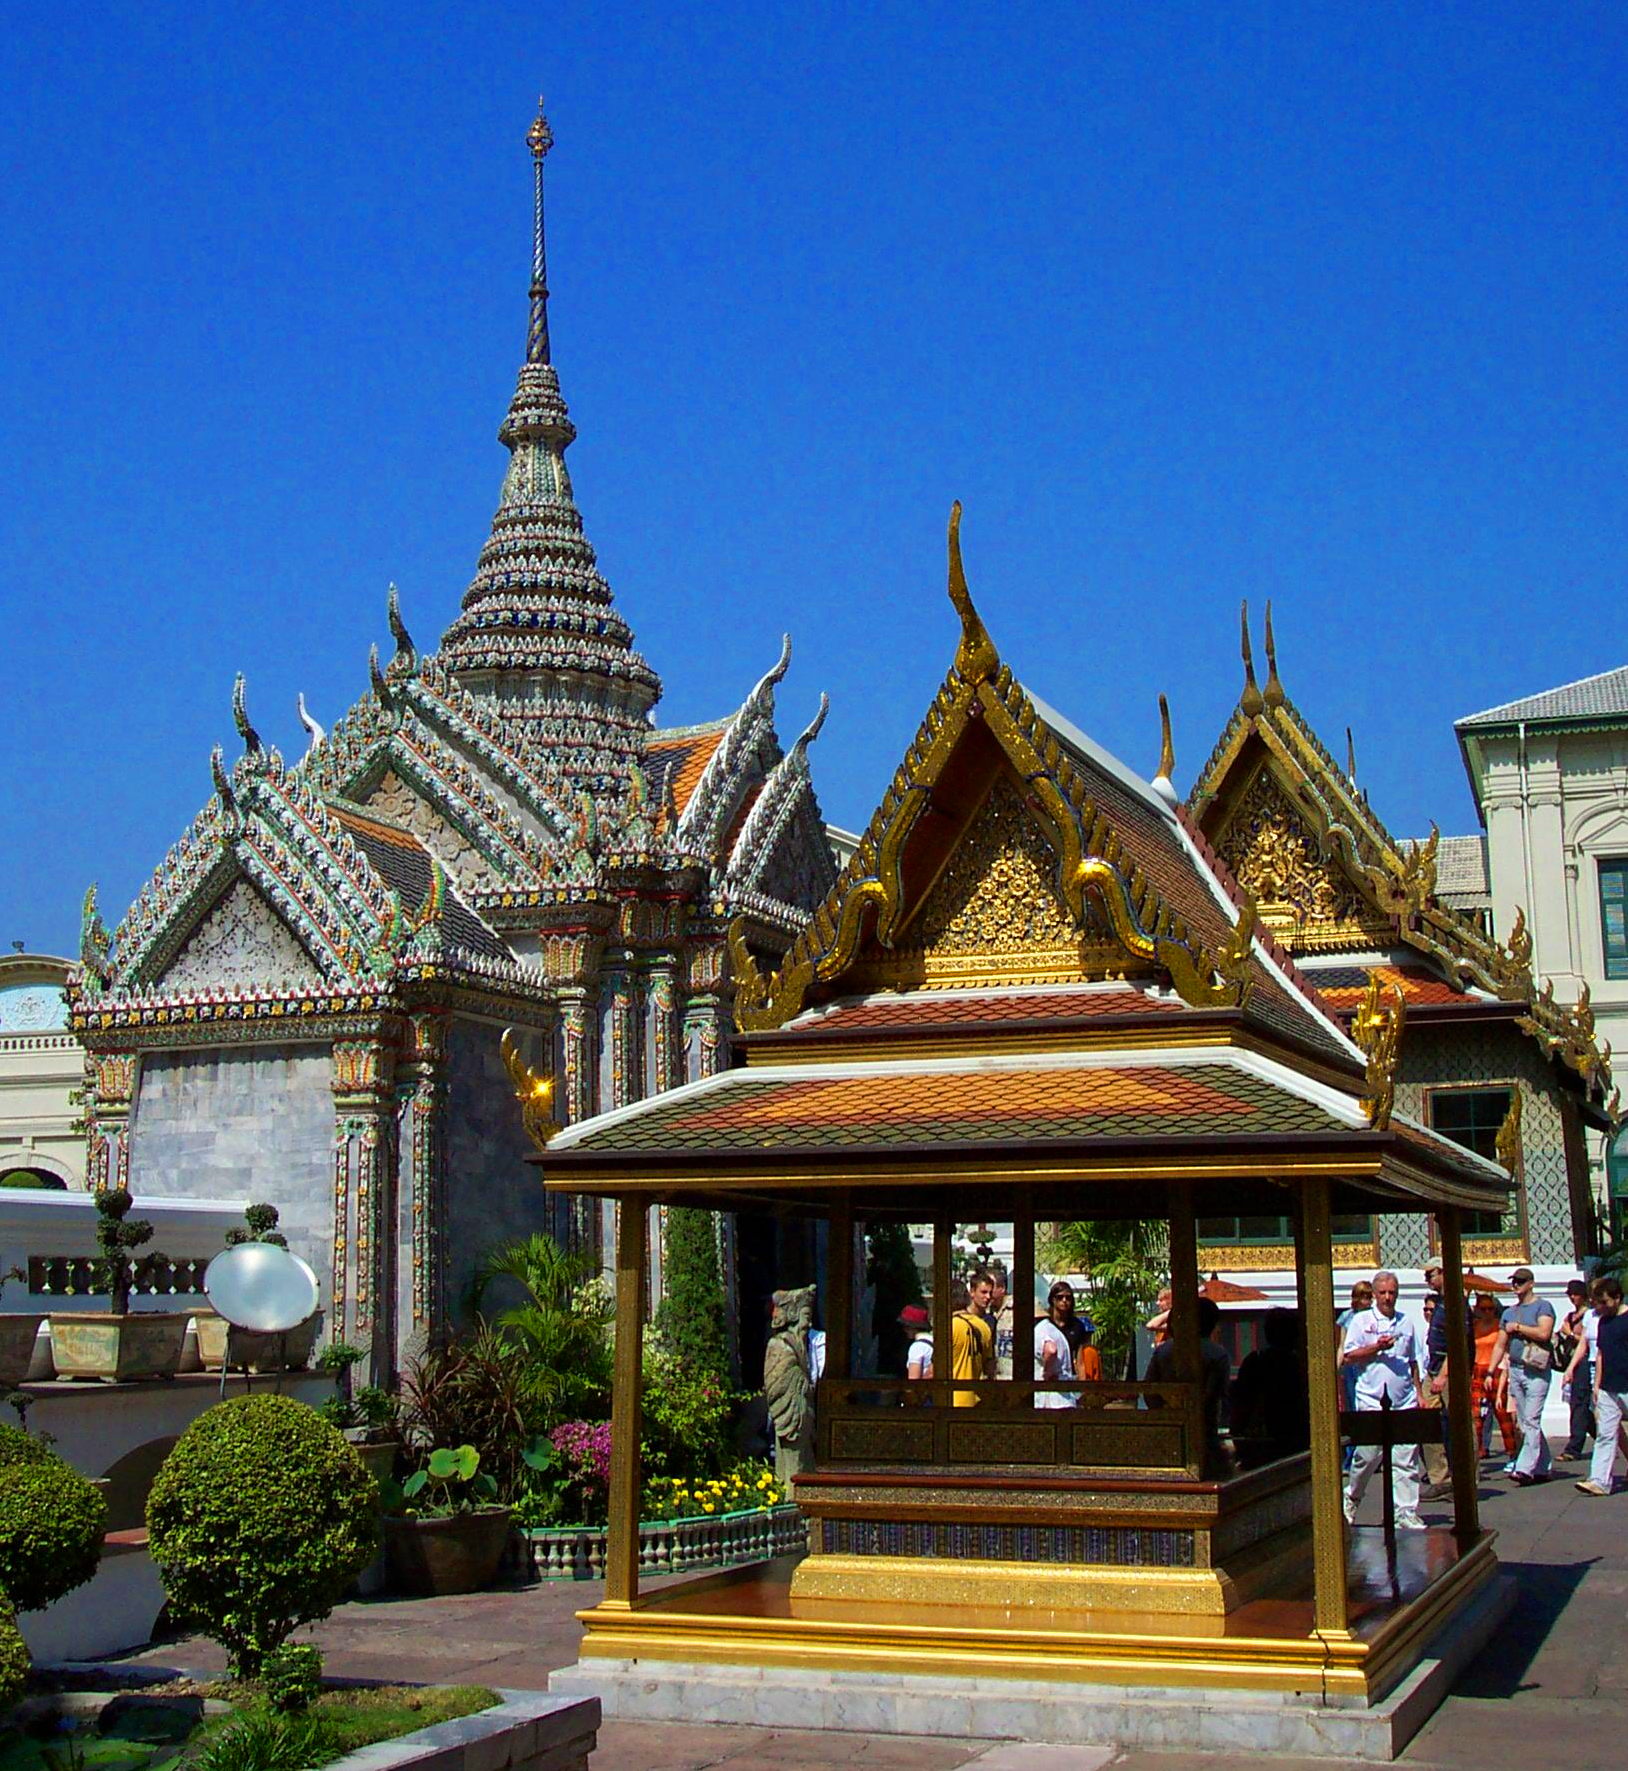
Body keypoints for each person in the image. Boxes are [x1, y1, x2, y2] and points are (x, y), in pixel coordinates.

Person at [1342, 1270, 1426, 1529]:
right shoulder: (1361, 1321)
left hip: (1403, 1399)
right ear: (1375, 1295)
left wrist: (1419, 1393)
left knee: (1405, 1458)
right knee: (1367, 1456)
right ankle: (1352, 1497)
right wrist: (1376, 1347)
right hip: (1371, 1397)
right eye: (1383, 1293)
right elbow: (1349, 1356)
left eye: (1392, 1293)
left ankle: (1405, 1511)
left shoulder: (1406, 1322)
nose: (1388, 1298)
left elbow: (1412, 1360)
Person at [1146, 1295, 1233, 1478]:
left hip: (1168, 1429)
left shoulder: (1163, 1351)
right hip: (1205, 1431)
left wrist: (1165, 1411)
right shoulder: (1217, 1353)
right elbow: (1215, 1393)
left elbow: (1150, 1391)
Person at [1490, 1267, 1556, 1484]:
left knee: (1532, 1419)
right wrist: (1492, 1370)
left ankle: (1525, 1467)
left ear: (1531, 1283)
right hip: (1517, 1369)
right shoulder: (1509, 1312)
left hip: (1537, 1370)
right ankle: (1543, 1466)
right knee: (1526, 1420)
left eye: (1520, 1281)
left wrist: (1518, 1327)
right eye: (1514, 1282)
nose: (1516, 1285)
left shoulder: (1542, 1306)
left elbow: (1544, 1333)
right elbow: (1500, 1345)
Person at [1230, 1308, 1310, 1469]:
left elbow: (1241, 1401)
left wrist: (1237, 1433)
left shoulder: (1255, 1361)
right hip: (1292, 1437)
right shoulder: (1301, 1364)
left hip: (1262, 1439)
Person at [1577, 1275, 1628, 1496]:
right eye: (1598, 1303)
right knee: (1606, 1434)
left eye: (1605, 1302)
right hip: (1609, 1386)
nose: (1601, 1307)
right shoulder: (1603, 1322)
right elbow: (1599, 1355)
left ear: (1617, 1298)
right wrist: (1597, 1385)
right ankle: (1599, 1481)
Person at [1417, 1265, 1454, 1499]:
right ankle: (1439, 1477)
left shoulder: (1454, 1302)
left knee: (1458, 1424)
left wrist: (1444, 1374)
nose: (1426, 1278)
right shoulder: (1439, 1303)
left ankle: (1465, 1479)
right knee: (1427, 1421)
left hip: (1448, 1369)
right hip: (1432, 1368)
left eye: (1430, 1274)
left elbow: (1458, 1342)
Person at [1471, 1292, 1519, 1463]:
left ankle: (1512, 1452)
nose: (1487, 1312)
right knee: (1476, 1415)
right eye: (1483, 1309)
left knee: (1502, 1414)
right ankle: (1478, 1451)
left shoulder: (1500, 1326)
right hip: (1477, 1369)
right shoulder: (1473, 1326)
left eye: (1490, 1309)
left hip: (1496, 1369)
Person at [1335, 1279, 1374, 1472]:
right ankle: (1351, 1457)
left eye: (1369, 1297)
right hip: (1351, 1367)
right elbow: (1342, 1345)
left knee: (1365, 1409)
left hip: (1366, 1364)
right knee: (1351, 1411)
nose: (1367, 1301)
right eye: (1364, 1297)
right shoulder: (1347, 1317)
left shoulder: (1374, 1317)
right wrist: (1337, 1367)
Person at [1558, 1279, 1597, 1461]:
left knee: (1580, 1403)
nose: (1573, 1297)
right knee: (1578, 1404)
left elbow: (1586, 1341)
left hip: (1585, 1362)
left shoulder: (1588, 1315)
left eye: (1576, 1294)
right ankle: (1602, 1436)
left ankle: (1574, 1447)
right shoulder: (1570, 1316)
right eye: (1570, 1294)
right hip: (1572, 1362)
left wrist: (1570, 1333)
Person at [950, 1271, 996, 1406]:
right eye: (983, 1292)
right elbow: (990, 1368)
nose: (987, 1297)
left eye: (990, 1293)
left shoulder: (950, 1326)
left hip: (952, 1402)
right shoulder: (983, 1327)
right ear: (971, 1292)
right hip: (970, 1401)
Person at [1034, 1307, 1076, 1409]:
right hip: (1064, 1398)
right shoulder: (1052, 1329)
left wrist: (1046, 1373)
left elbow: (1051, 1350)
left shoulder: (1039, 1330)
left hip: (1052, 1401)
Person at [989, 1263, 1015, 1380]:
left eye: (991, 1287)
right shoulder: (986, 1313)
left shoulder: (1015, 1310)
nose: (988, 1293)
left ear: (1002, 1288)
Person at [900, 1304, 933, 1383]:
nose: (904, 1330)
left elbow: (913, 1381)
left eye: (906, 1326)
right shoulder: (934, 1341)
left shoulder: (917, 1347)